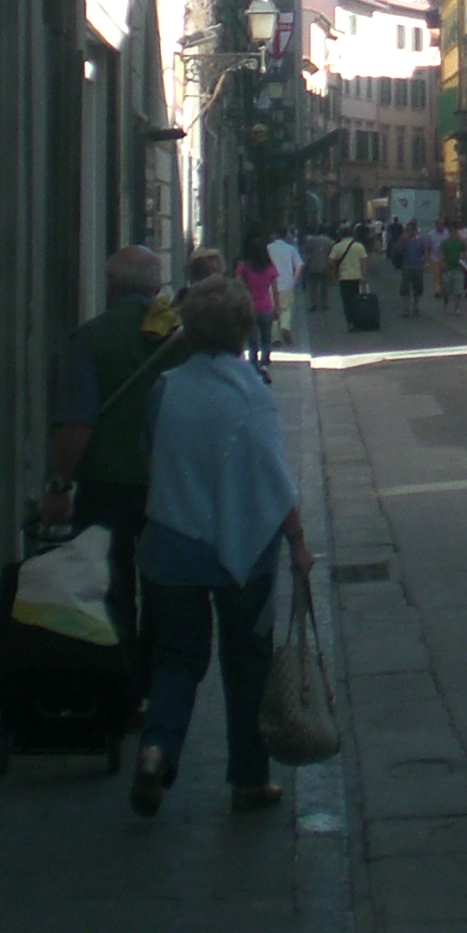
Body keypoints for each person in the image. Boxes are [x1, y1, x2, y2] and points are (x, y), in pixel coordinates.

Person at [129, 276, 315, 818]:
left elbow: (151, 461)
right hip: (244, 550)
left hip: (171, 545)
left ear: (189, 329)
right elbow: (274, 478)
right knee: (247, 662)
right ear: (241, 331)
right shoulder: (251, 392)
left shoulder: (165, 388)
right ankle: (250, 780)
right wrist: (298, 543)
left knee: (176, 657)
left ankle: (156, 748)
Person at [43, 245, 186, 682]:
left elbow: (78, 423)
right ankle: (154, 674)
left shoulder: (92, 336)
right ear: (157, 285)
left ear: (112, 286)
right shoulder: (182, 336)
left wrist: (59, 484)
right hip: (167, 481)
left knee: (109, 580)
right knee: (163, 583)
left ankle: (118, 672)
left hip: (106, 483)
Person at [234, 230, 279, 368]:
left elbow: (236, 283)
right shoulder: (270, 269)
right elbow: (275, 290)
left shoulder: (245, 268)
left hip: (250, 307)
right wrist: (277, 308)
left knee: (252, 340)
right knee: (266, 338)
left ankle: (253, 362)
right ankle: (265, 361)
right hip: (266, 307)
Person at [267, 226, 303, 344]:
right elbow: (299, 265)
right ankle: (285, 326)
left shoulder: (268, 248)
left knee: (273, 310)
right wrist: (294, 279)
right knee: (286, 308)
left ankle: (275, 338)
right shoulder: (291, 249)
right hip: (287, 283)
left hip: (270, 284)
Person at [329, 226, 368, 331]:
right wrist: (364, 276)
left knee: (347, 301)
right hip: (357, 276)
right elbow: (364, 261)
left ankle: (350, 322)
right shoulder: (359, 246)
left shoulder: (337, 247)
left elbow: (331, 261)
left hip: (344, 277)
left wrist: (333, 274)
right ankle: (358, 319)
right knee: (357, 299)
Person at [398, 220, 428, 317]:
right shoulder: (405, 240)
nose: (409, 232)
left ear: (415, 230)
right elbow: (398, 250)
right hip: (407, 266)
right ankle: (406, 307)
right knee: (405, 288)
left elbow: (425, 252)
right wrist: (401, 240)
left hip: (417, 266)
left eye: (410, 230)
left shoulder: (421, 240)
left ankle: (416, 305)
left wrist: (425, 263)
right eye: (407, 230)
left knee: (417, 287)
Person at [302, 223, 333, 315]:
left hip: (313, 265)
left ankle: (314, 303)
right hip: (326, 265)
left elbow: (305, 252)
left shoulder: (310, 241)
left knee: (313, 285)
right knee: (324, 285)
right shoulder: (330, 241)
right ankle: (324, 302)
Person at [439, 220, 466, 311]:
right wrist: (442, 263)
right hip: (448, 267)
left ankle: (457, 307)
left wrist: (464, 260)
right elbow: (441, 253)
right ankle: (445, 304)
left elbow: (466, 250)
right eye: (450, 231)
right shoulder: (445, 242)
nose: (452, 232)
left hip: (458, 267)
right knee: (446, 289)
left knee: (458, 289)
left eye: (454, 230)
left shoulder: (461, 242)